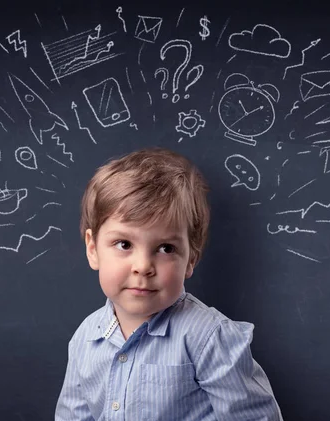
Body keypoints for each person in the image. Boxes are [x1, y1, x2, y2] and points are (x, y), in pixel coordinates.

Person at [55, 147, 282, 420]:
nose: (143, 266)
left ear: (190, 260)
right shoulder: (85, 339)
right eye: (124, 244)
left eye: (165, 248)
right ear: (93, 249)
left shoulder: (209, 338)